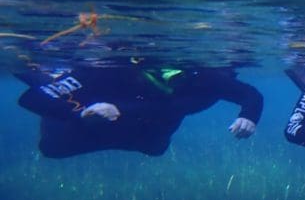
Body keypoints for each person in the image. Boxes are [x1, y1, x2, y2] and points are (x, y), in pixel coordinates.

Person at [16, 59, 264, 158]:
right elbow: (33, 99)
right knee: (53, 148)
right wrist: (80, 113)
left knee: (154, 147)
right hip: (96, 123)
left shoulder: (202, 75)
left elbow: (249, 94)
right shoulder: (104, 67)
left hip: (149, 136)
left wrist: (249, 117)